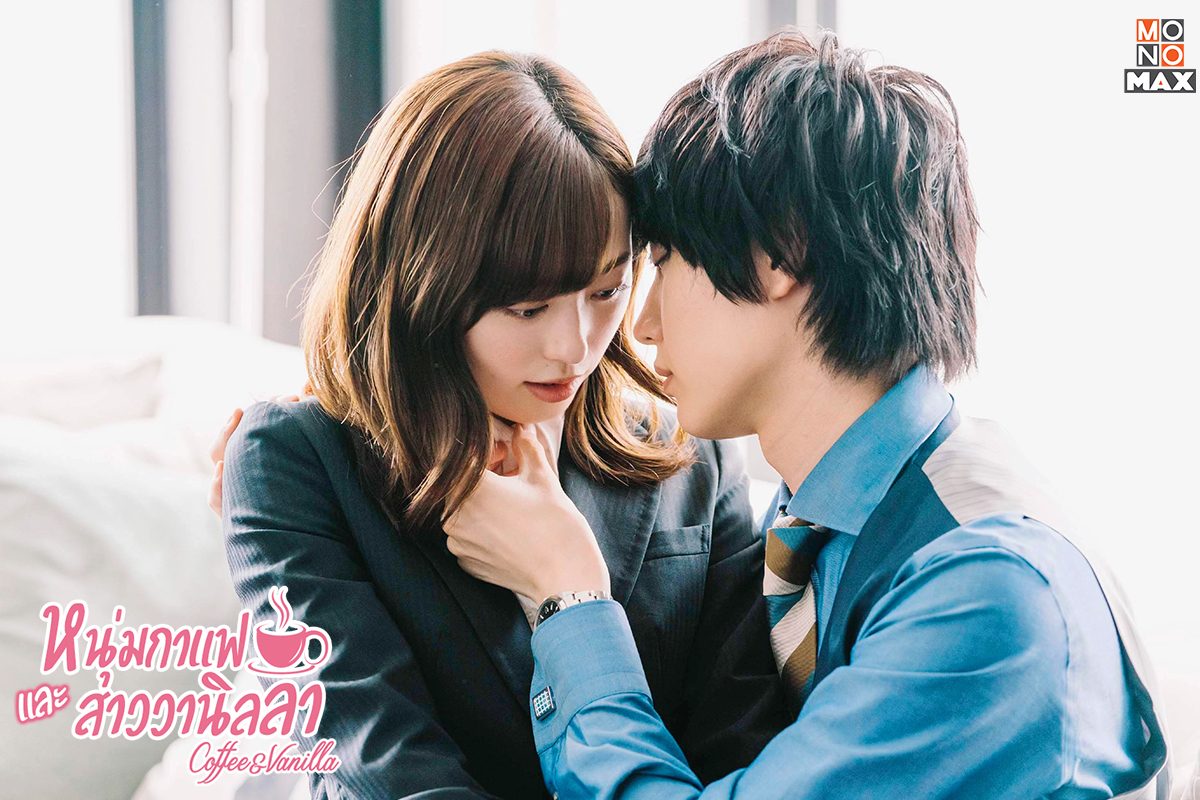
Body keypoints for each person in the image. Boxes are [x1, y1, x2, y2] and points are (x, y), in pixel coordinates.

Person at [443, 31, 1172, 799]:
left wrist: (568, 592)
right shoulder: (825, 522)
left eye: (662, 264)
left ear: (777, 257)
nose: (643, 325)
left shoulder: (986, 590)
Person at [213, 51, 789, 800]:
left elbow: (743, 758)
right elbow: (387, 771)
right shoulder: (298, 463)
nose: (575, 346)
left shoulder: (690, 448)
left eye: (607, 290)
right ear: (421, 283)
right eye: (527, 308)